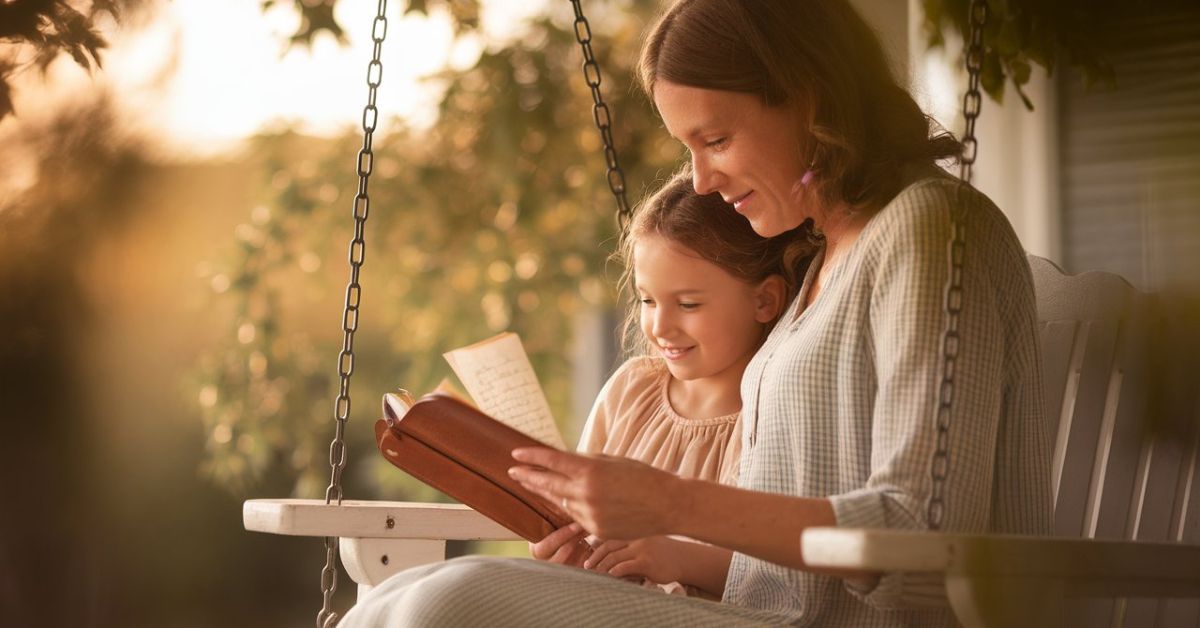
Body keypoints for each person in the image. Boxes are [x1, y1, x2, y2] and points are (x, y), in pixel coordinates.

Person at [341, 1, 1052, 625]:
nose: (703, 182)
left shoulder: (929, 227)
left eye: (716, 140)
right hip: (747, 612)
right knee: (398, 597)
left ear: (813, 101)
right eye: (691, 150)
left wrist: (671, 503)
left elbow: (925, 533)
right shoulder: (821, 261)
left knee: (447, 602)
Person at [529, 171, 814, 599]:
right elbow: (585, 526)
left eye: (688, 304)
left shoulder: (772, 414)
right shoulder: (630, 391)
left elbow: (787, 574)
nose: (659, 326)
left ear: (764, 300)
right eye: (647, 300)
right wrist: (569, 555)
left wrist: (677, 559)